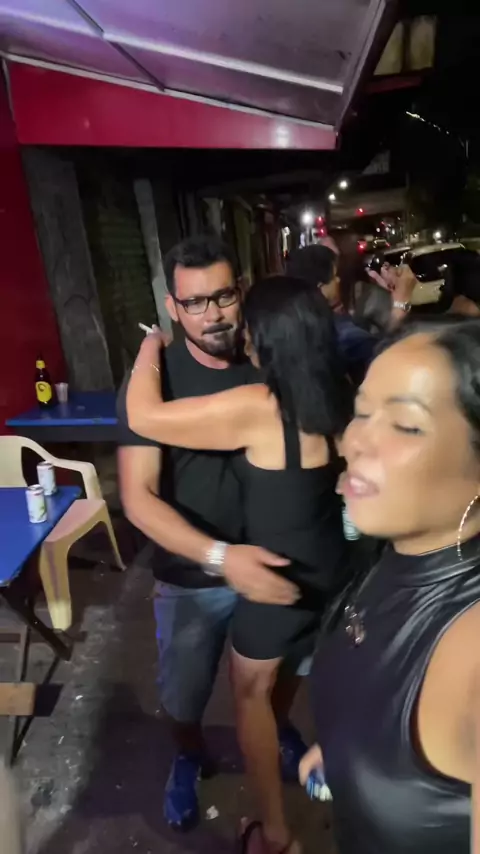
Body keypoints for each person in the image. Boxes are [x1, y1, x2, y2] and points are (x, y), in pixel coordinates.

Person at [126, 275, 353, 854]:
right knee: (280, 681)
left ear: (269, 336)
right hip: (330, 571)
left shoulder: (261, 406)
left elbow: (144, 417)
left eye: (247, 322)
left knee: (249, 692)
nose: (240, 332)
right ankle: (291, 754)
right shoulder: (338, 392)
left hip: (274, 579)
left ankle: (274, 833)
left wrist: (150, 343)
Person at [300, 317, 480, 854]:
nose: (353, 441)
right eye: (360, 413)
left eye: (404, 425)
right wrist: (345, 755)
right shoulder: (395, 549)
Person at [286, 245, 414, 385]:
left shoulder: (291, 329)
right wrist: (401, 300)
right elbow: (388, 365)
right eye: (334, 276)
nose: (338, 280)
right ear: (320, 287)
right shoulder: (344, 336)